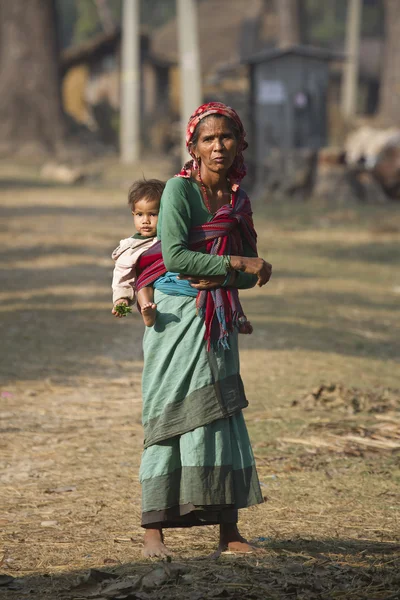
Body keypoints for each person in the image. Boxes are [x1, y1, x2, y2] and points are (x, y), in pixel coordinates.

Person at [135, 102, 272, 558]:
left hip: (219, 319)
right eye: (208, 139)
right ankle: (154, 530)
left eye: (227, 137)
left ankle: (228, 532)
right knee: (169, 414)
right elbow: (175, 258)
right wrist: (232, 264)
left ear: (240, 144)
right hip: (175, 317)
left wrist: (226, 274)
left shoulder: (238, 201)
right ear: (192, 147)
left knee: (222, 414)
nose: (218, 146)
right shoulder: (178, 191)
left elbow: (256, 272)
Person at [111, 179, 165, 327]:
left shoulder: (170, 238)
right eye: (140, 215)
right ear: (133, 214)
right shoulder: (132, 247)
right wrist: (121, 299)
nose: (145, 221)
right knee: (143, 284)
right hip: (147, 285)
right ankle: (147, 311)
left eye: (153, 214)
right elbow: (122, 273)